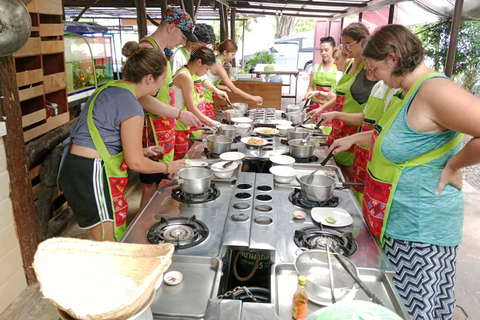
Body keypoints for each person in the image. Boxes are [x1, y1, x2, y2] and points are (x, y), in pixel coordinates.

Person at [328, 24, 480, 319]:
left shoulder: (435, 90)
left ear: (392, 59)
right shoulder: (405, 91)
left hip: (421, 226)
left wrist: (454, 165)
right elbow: (390, 137)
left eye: (374, 70)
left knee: (413, 309)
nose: (372, 77)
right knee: (395, 303)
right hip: (396, 219)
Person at [58, 42, 186, 242]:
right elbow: (135, 164)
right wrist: (169, 165)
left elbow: (104, 135)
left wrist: (142, 150)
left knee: (109, 231)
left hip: (80, 167)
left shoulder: (115, 88)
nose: (163, 85)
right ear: (149, 78)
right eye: (161, 80)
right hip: (92, 172)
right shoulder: (131, 106)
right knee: (107, 240)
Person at [137, 6, 202, 209]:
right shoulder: (146, 50)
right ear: (171, 28)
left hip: (164, 128)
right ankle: (142, 232)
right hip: (152, 132)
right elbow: (141, 98)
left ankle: (154, 222)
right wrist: (179, 113)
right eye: (183, 36)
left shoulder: (159, 51)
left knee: (162, 181)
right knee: (150, 185)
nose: (184, 42)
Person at [307, 23, 377, 181]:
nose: (345, 49)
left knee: (351, 175)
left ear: (362, 41)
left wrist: (334, 113)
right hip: (339, 127)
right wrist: (322, 110)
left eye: (348, 44)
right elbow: (340, 97)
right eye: (343, 44)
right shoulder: (349, 64)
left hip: (355, 130)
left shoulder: (369, 70)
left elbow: (368, 112)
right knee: (338, 170)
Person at [319, 66, 399, 203]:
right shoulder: (378, 87)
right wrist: (335, 114)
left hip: (376, 161)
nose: (368, 69)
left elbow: (389, 134)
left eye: (372, 65)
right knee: (357, 200)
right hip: (362, 156)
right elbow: (365, 118)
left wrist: (352, 138)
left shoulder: (399, 92)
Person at [170, 24, 230, 121]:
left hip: (195, 109)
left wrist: (216, 90)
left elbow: (202, 79)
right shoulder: (178, 57)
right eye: (203, 44)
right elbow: (174, 88)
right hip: (183, 113)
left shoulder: (196, 55)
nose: (204, 47)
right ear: (194, 39)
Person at [173, 45, 221, 159]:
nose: (206, 72)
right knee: (179, 160)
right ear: (199, 62)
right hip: (178, 124)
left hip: (181, 121)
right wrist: (212, 122)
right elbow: (191, 108)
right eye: (207, 68)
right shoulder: (186, 77)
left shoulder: (187, 72)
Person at [203, 39, 263, 119]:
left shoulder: (215, 60)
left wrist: (222, 87)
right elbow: (234, 89)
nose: (233, 57)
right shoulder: (218, 66)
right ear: (225, 53)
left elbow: (208, 80)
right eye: (232, 54)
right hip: (204, 97)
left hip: (204, 95)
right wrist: (252, 97)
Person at [303, 36, 343, 134]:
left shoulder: (339, 69)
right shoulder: (316, 67)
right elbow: (311, 86)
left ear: (334, 50)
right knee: (311, 132)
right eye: (321, 50)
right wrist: (308, 94)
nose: (323, 53)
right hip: (314, 107)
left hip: (329, 108)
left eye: (326, 50)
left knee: (325, 135)